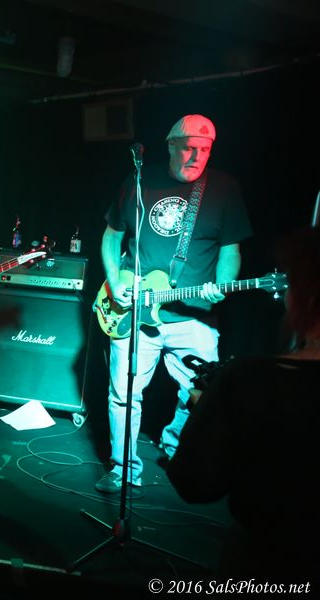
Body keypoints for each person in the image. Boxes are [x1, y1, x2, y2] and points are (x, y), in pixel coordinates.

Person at [96, 114, 252, 493]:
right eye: (188, 147)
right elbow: (111, 236)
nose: (196, 156)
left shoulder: (224, 188)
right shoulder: (139, 181)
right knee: (124, 394)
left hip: (194, 317)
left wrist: (223, 285)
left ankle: (173, 444)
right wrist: (114, 282)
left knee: (202, 395)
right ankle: (123, 468)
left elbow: (230, 250)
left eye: (205, 149)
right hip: (134, 310)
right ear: (170, 145)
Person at [167, 226, 320, 580]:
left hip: (264, 563)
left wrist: (208, 413)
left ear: (303, 299)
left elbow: (193, 483)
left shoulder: (249, 380)